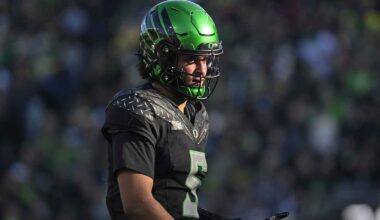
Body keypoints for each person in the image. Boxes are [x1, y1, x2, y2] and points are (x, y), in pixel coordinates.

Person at [102, 1, 240, 219]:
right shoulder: (137, 108)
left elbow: (182, 208)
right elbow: (138, 204)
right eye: (192, 59)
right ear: (162, 57)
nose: (202, 70)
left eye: (205, 59)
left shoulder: (197, 114)